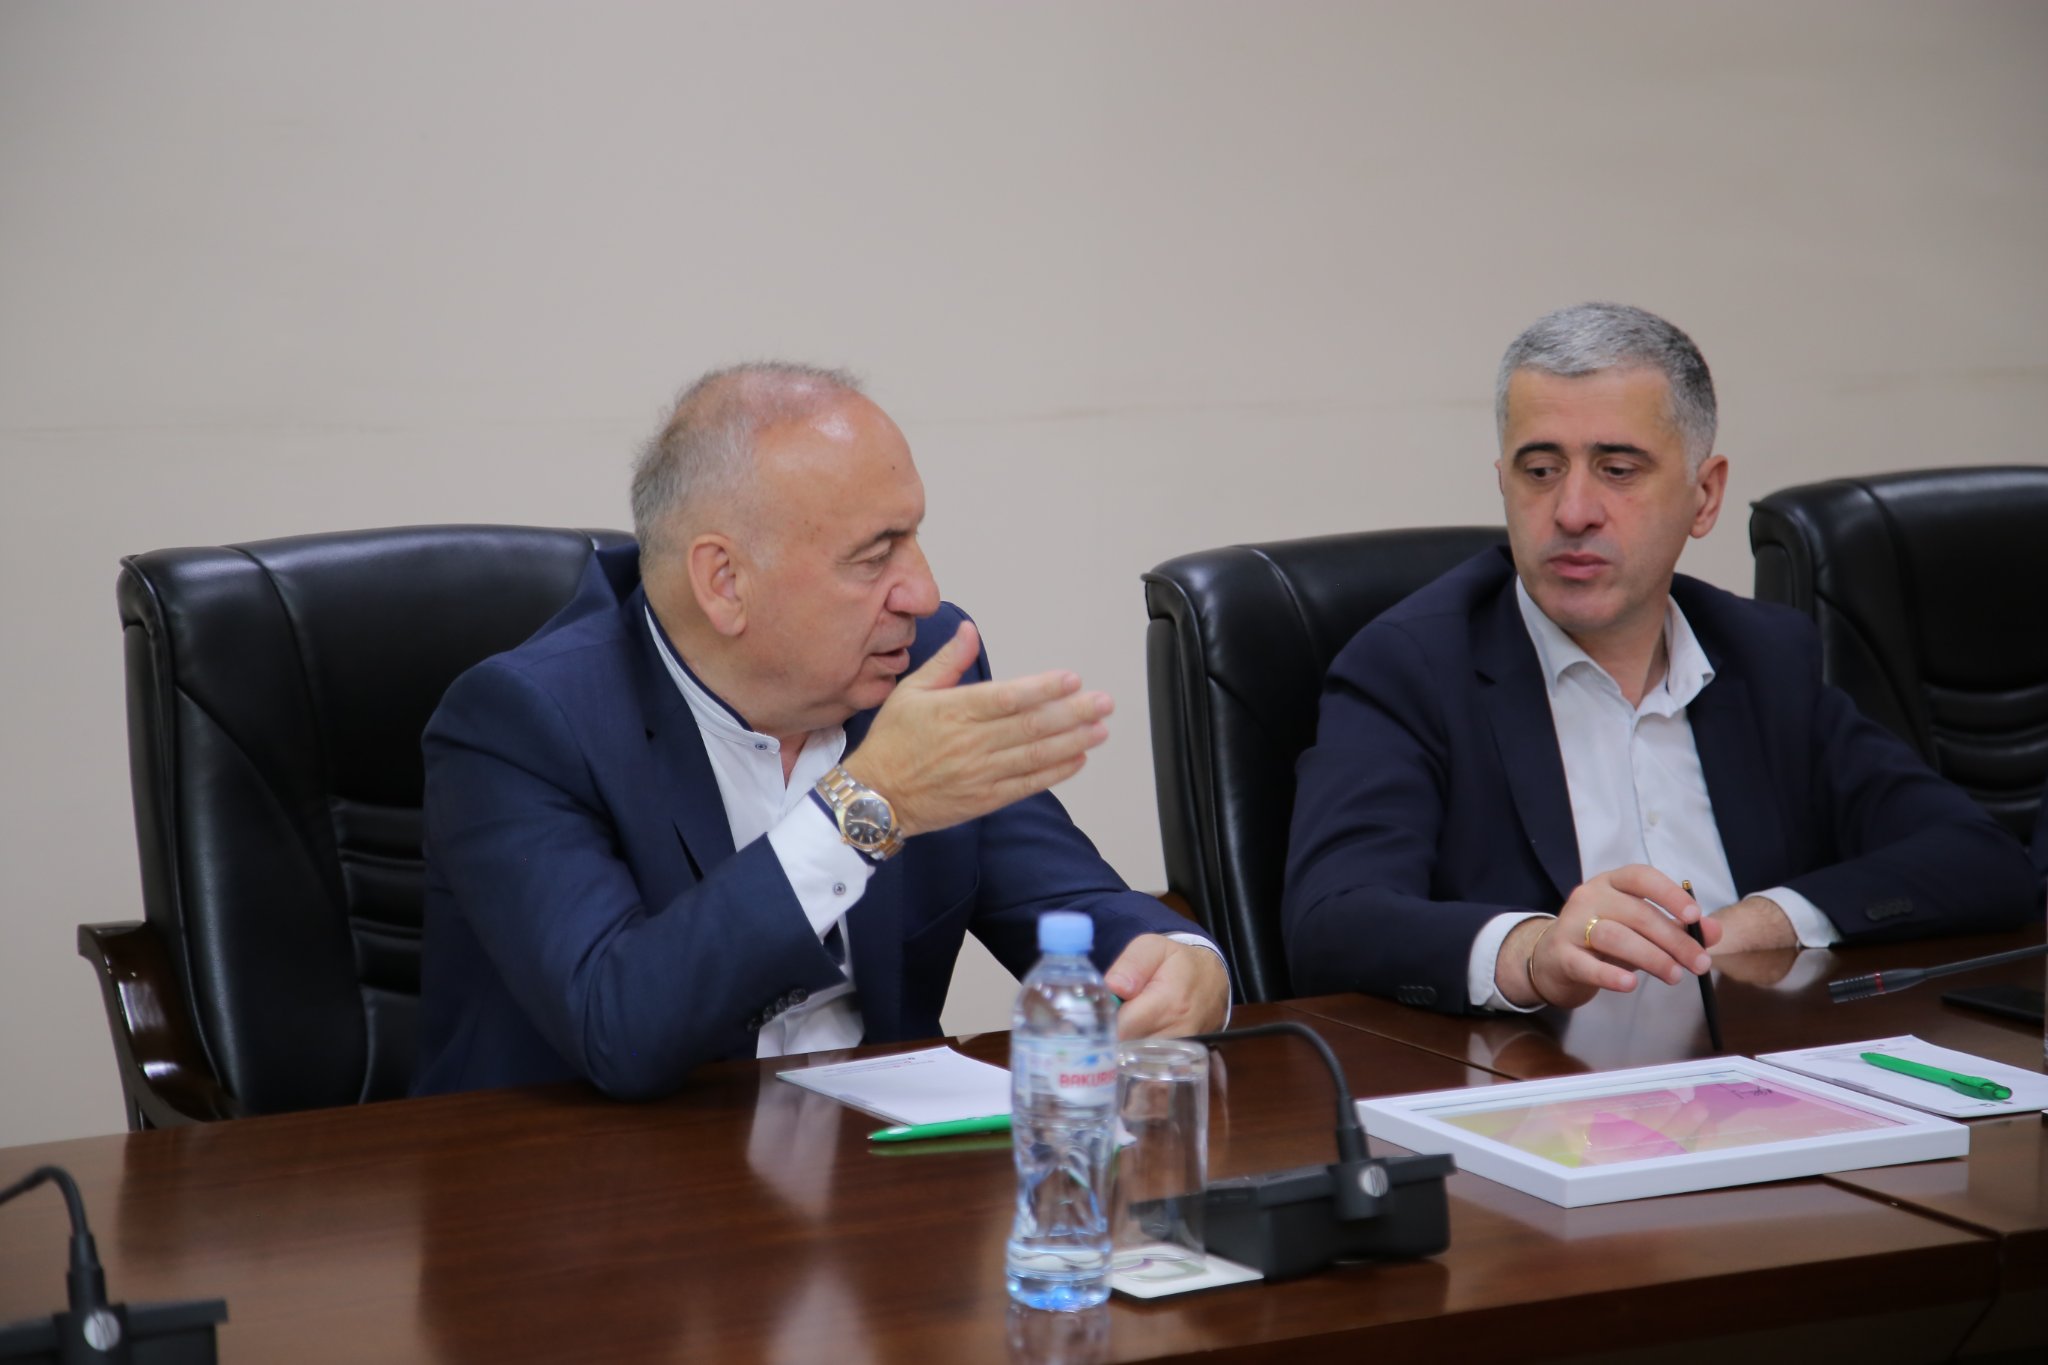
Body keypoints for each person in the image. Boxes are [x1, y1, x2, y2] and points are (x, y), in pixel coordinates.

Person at [413, 363, 1228, 1097]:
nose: (922, 592)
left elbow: (1069, 902)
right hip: (582, 1188)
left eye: (914, 536)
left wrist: (1184, 960)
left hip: (866, 1173)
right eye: (874, 558)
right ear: (725, 581)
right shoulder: (523, 724)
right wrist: (867, 805)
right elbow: (618, 1024)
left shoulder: (923, 663)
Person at [1283, 303, 2037, 1014]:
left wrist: (1771, 919)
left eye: (1618, 469)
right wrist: (1532, 951)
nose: (1573, 511)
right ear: (1503, 484)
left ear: (1704, 496)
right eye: (1540, 469)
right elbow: (1331, 922)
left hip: (1755, 1065)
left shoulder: (1762, 656)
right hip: (1530, 1080)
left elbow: (1980, 859)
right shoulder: (1411, 666)